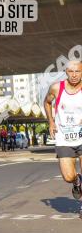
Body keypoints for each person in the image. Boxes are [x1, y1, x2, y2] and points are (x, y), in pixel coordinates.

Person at [43, 60, 82, 216]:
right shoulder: (56, 88)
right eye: (71, 71)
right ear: (66, 72)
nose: (74, 75)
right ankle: (77, 180)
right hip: (64, 138)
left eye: (77, 71)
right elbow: (46, 102)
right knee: (68, 176)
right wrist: (51, 121)